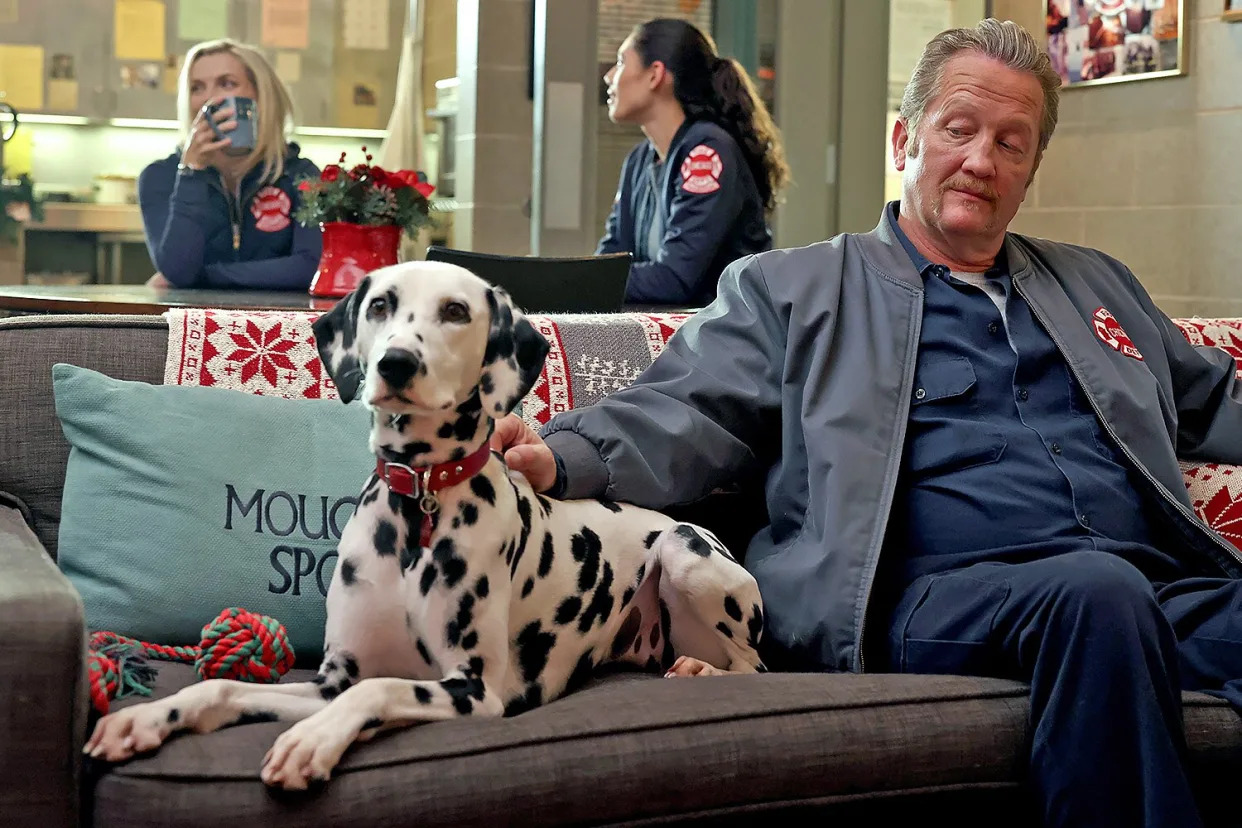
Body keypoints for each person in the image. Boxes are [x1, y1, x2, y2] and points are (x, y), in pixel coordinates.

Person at [494, 18, 1242, 828]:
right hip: (924, 597)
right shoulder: (797, 288)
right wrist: (559, 452)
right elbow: (683, 408)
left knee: (1117, 596)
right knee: (1098, 595)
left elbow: (1212, 401)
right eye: (959, 131)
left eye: (1011, 143)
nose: (982, 161)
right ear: (904, 139)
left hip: (1144, 590)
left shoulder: (1097, 285)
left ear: (1031, 170)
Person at [596, 18, 789, 308]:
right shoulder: (638, 161)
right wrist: (586, 279)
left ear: (655, 75)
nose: (609, 76)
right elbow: (608, 261)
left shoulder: (708, 152)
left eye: (622, 62)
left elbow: (675, 280)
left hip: (727, 341)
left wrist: (588, 280)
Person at [138, 39, 322, 290]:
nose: (210, 99)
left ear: (261, 96)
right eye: (196, 88)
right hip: (194, 324)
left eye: (227, 84)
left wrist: (205, 277)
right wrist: (192, 171)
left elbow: (310, 267)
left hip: (276, 322)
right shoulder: (161, 176)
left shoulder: (299, 174)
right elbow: (178, 269)